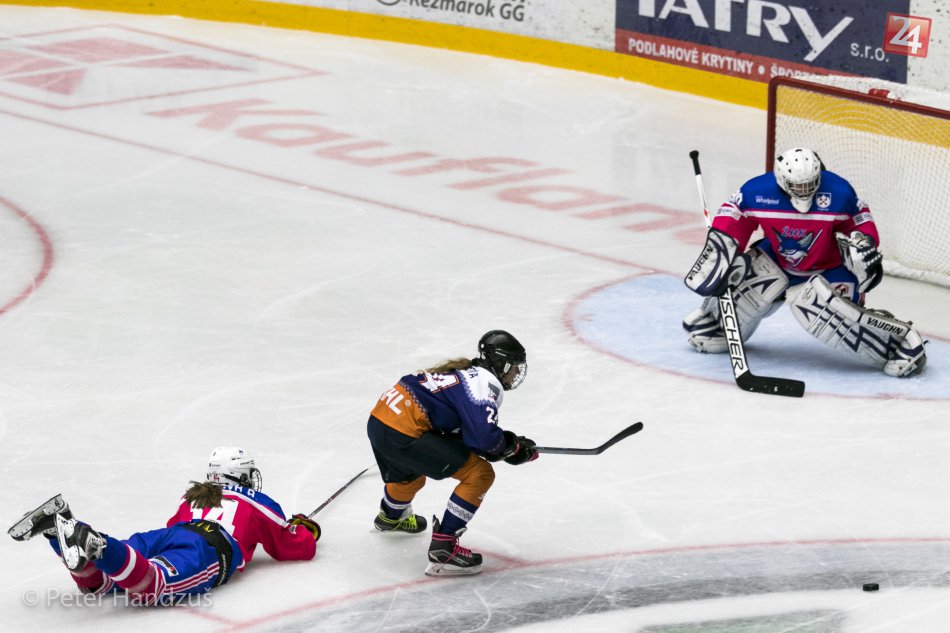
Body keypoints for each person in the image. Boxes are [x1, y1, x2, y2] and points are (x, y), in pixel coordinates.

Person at [682, 147, 927, 378]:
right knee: (745, 280)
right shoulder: (757, 191)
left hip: (830, 267)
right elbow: (733, 214)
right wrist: (723, 248)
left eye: (810, 184)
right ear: (781, 181)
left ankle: (898, 342)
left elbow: (860, 219)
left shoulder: (838, 191)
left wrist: (864, 243)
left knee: (820, 310)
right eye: (797, 186)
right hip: (778, 261)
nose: (804, 190)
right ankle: (720, 323)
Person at [8, 447, 320, 605]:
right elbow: (294, 546)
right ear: (241, 474)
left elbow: (174, 526)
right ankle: (96, 544)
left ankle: (58, 531)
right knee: (151, 586)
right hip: (209, 548)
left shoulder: (194, 495)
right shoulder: (256, 501)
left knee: (101, 583)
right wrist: (306, 528)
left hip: (170, 535)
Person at [367, 330, 538, 577]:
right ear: (501, 364)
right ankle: (444, 549)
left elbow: (467, 435)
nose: (515, 374)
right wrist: (513, 448)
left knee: (410, 477)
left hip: (381, 421)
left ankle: (390, 517)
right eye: (513, 367)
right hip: (405, 431)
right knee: (479, 474)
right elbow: (483, 439)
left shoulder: (465, 373)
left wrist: (506, 447)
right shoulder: (485, 383)